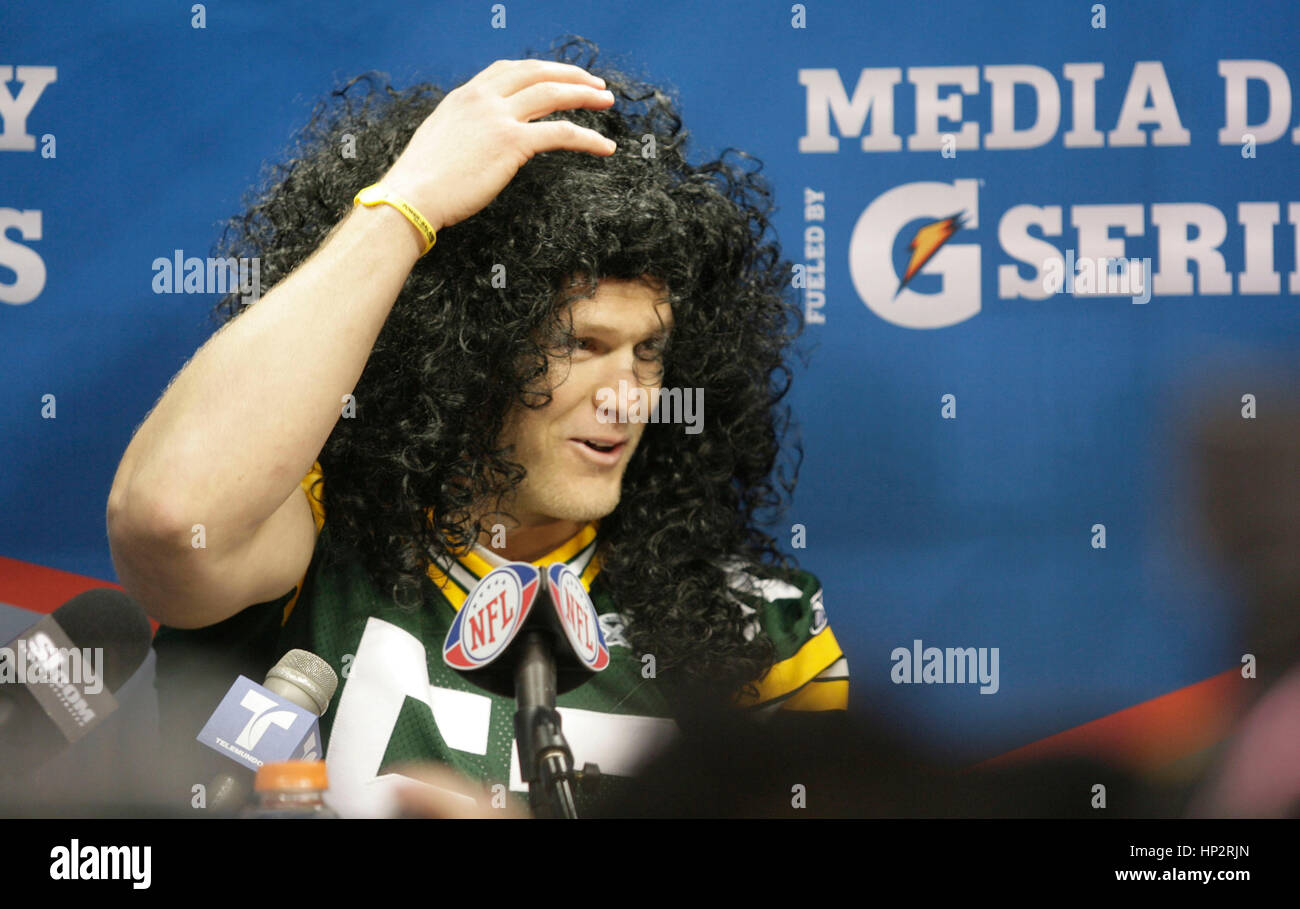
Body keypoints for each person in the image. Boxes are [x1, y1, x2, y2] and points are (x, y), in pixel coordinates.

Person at [106, 37, 847, 817]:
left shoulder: (759, 628)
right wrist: (407, 205)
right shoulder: (310, 536)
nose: (628, 398)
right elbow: (168, 519)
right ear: (464, 345)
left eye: (649, 351)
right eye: (581, 345)